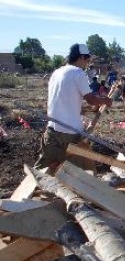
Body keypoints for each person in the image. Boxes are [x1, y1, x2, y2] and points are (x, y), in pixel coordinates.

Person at [34, 43, 112, 174]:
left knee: (42, 172)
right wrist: (105, 100)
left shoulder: (57, 72)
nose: (87, 62)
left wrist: (80, 109)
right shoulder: (78, 73)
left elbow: (63, 98)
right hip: (69, 133)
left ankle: (30, 192)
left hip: (51, 130)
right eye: (87, 59)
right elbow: (91, 100)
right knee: (79, 174)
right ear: (81, 57)